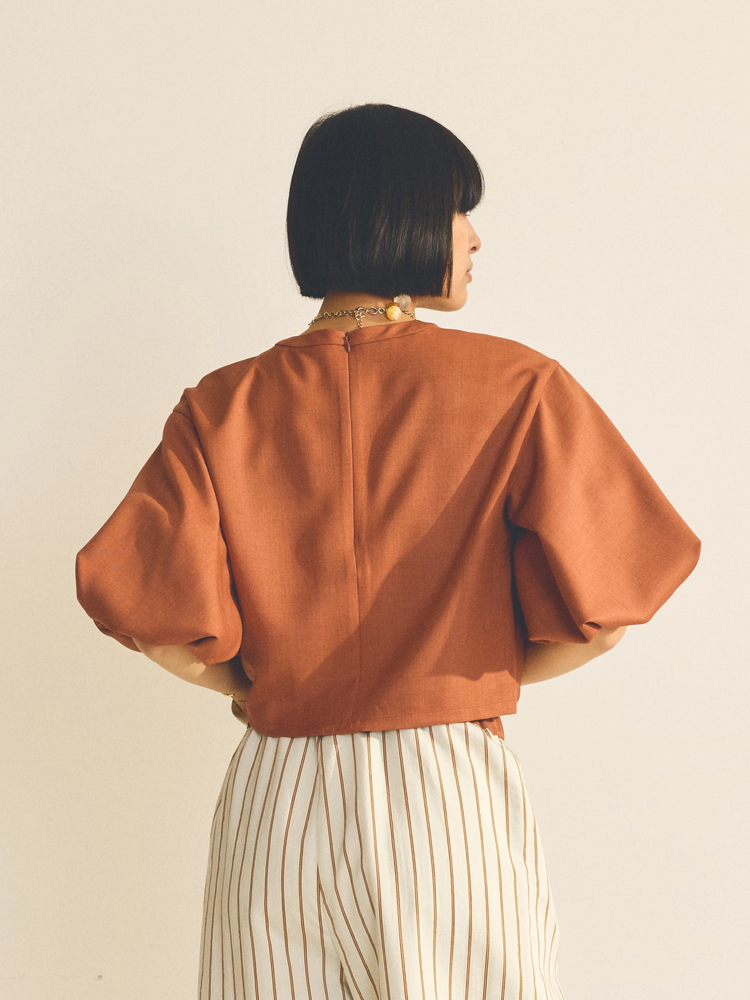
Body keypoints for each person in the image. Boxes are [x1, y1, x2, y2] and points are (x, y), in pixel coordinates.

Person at [74, 103, 701, 999]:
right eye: (458, 209)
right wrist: (471, 681)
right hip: (444, 792)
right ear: (398, 214)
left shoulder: (220, 406)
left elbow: (154, 622)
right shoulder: (517, 385)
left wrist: (259, 691)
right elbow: (604, 617)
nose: (474, 237)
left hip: (278, 797)